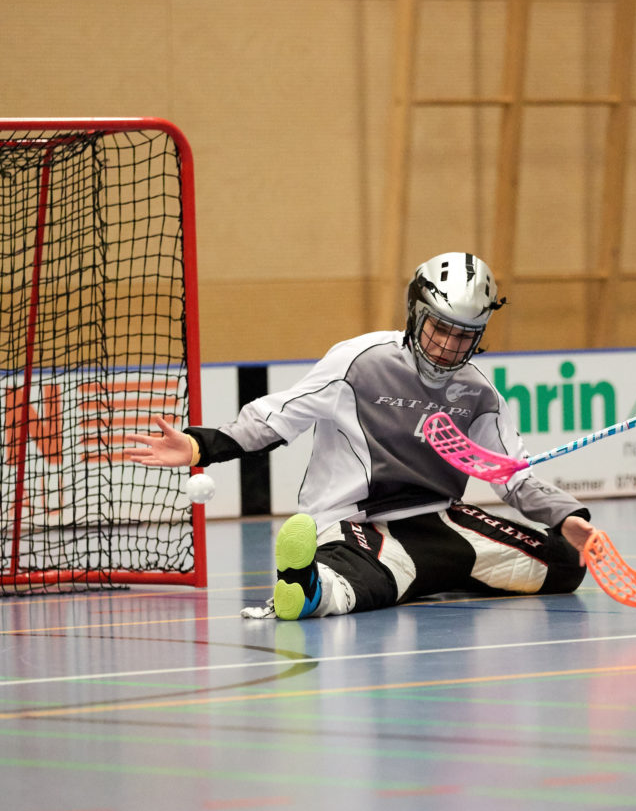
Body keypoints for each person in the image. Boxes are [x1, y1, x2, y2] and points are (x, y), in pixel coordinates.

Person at [124, 252, 597, 619]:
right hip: (354, 520)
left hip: (440, 522)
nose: (449, 346)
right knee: (357, 581)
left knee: (566, 565)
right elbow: (277, 417)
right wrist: (201, 444)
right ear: (416, 311)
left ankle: (416, 576)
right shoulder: (361, 361)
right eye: (439, 328)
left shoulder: (478, 393)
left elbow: (511, 476)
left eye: (464, 336)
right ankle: (311, 587)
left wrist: (566, 516)